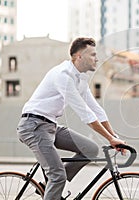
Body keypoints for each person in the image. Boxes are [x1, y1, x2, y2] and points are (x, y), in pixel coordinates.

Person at [16, 37, 125, 200]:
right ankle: (54, 182)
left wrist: (114, 137)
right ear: (79, 56)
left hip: (50, 125)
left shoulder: (80, 79)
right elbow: (85, 114)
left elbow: (96, 110)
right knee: (57, 175)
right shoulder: (63, 76)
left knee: (91, 149)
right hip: (33, 126)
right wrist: (109, 138)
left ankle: (50, 187)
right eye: (93, 54)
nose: (97, 58)